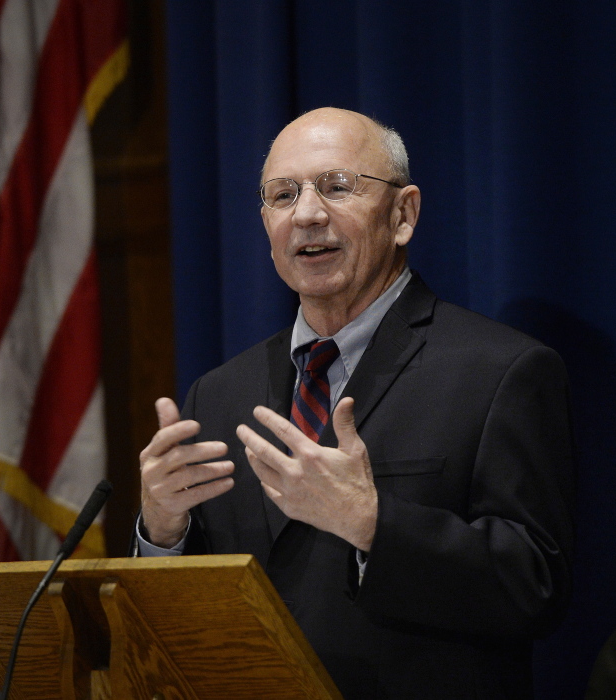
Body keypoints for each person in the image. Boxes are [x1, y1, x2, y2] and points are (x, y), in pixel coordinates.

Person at [135, 107, 575, 699]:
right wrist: (163, 531)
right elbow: (187, 618)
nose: (309, 214)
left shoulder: (500, 372)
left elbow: (535, 589)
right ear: (266, 228)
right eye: (283, 196)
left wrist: (371, 523)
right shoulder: (219, 393)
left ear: (403, 214)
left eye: (338, 187)